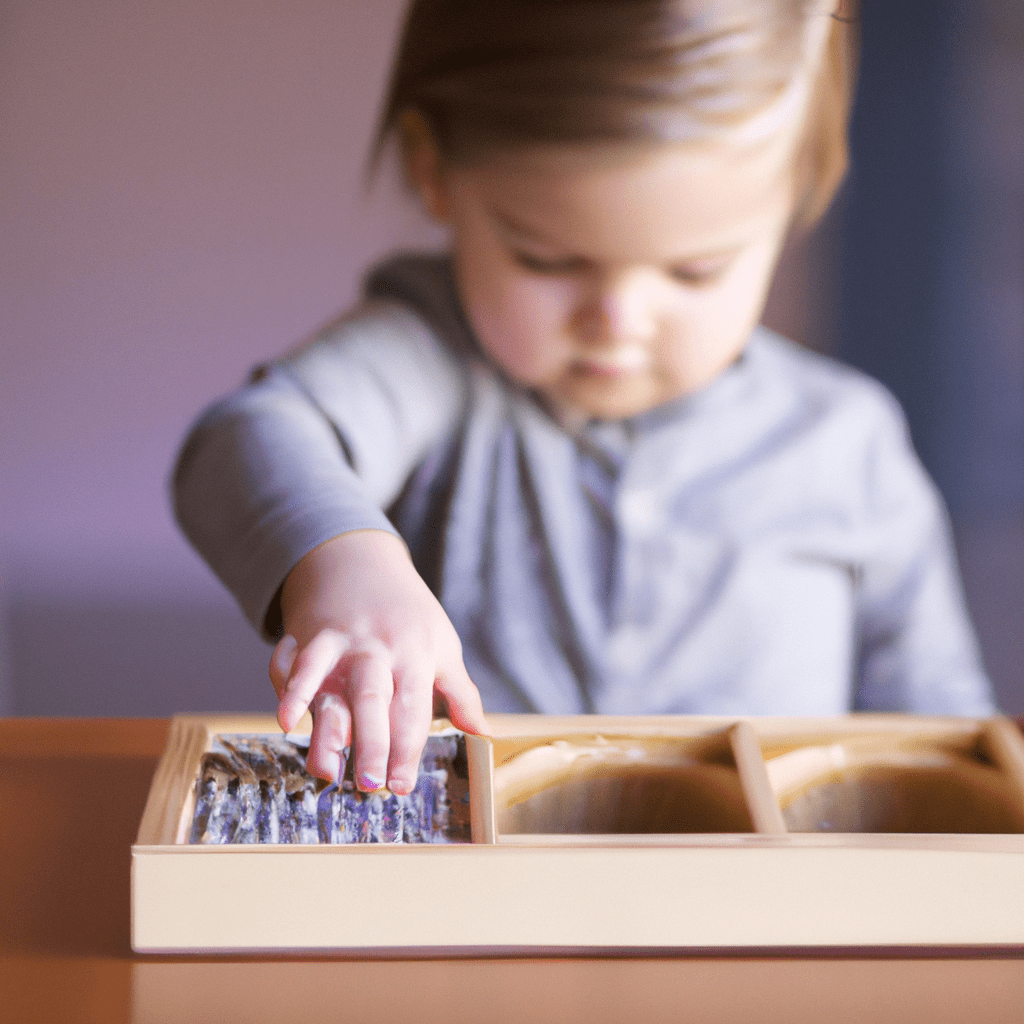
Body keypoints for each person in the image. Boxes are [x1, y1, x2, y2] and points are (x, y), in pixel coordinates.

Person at [173, 0, 995, 796]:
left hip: (763, 919)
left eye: (693, 271)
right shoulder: (432, 359)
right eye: (547, 260)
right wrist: (348, 564)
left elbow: (947, 732)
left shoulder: (846, 444)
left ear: (796, 199)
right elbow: (250, 435)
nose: (617, 321)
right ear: (435, 174)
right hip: (478, 908)